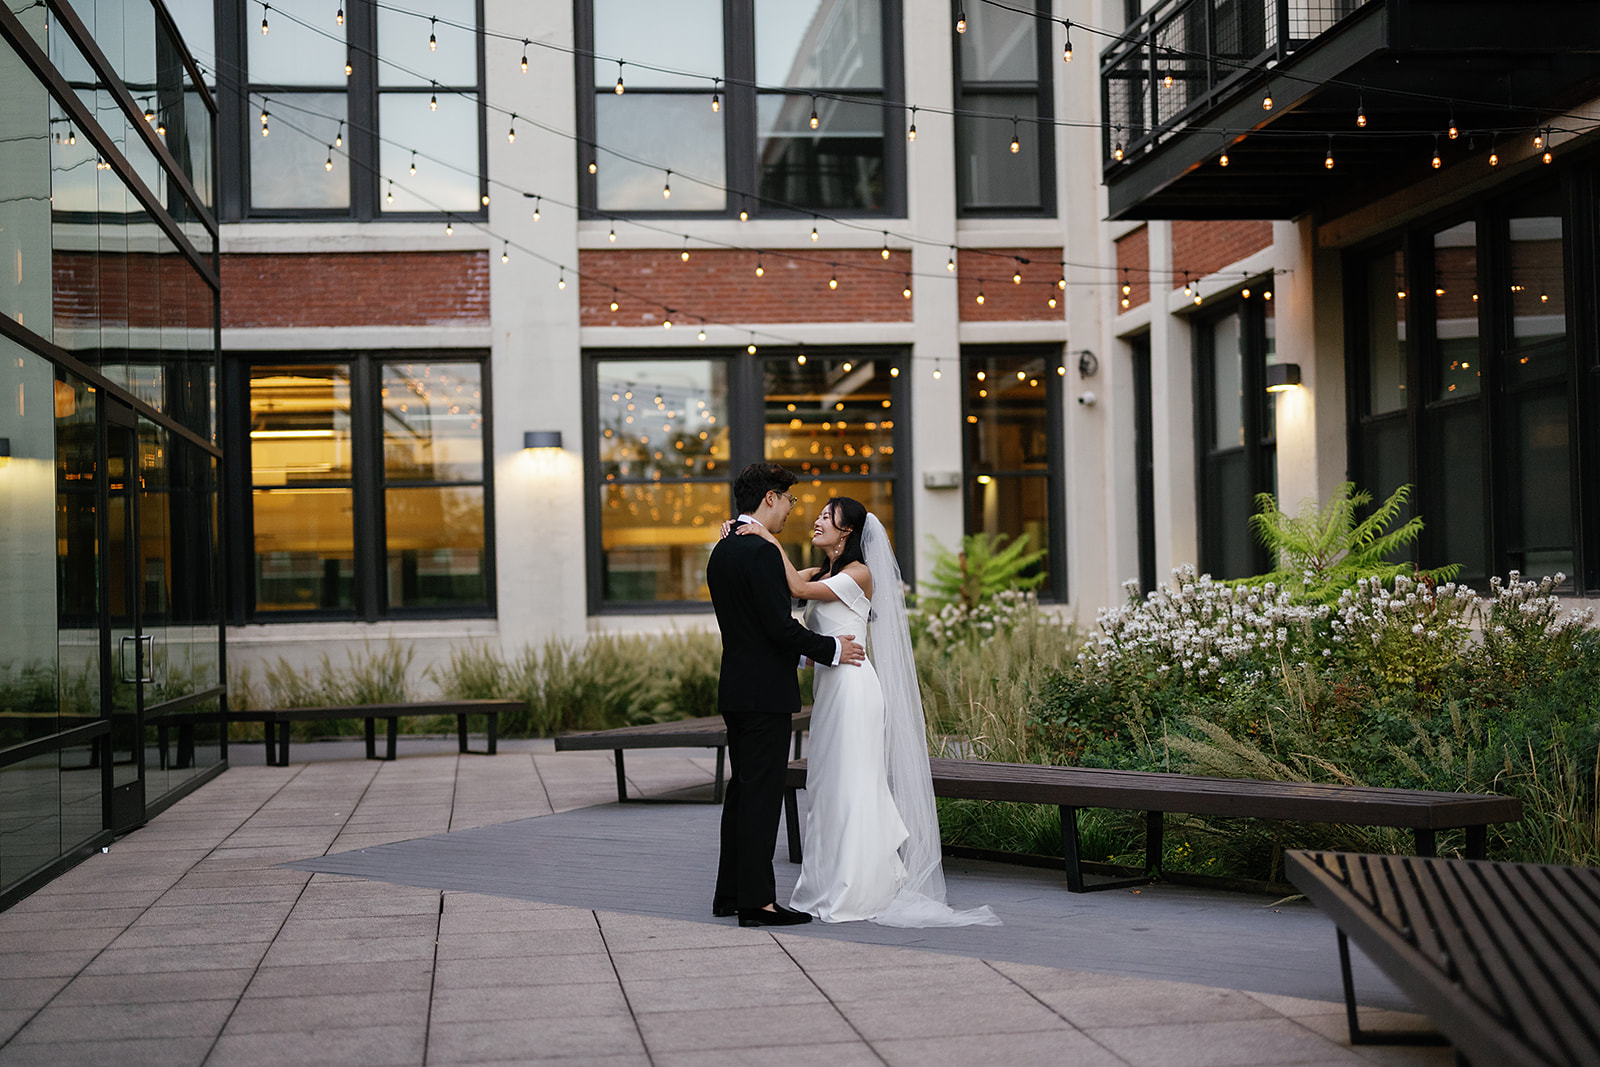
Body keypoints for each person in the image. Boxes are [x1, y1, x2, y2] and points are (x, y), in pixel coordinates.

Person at [737, 497, 999, 928]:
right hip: (830, 692)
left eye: (827, 516)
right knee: (826, 786)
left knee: (854, 785)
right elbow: (785, 587)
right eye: (819, 514)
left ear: (847, 532)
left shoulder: (859, 573)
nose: (817, 521)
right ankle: (823, 884)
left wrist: (766, 536)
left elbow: (797, 592)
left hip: (855, 691)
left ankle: (859, 888)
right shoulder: (822, 572)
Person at [706, 463, 866, 928]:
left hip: (736, 687)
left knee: (742, 793)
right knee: (760, 798)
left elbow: (758, 620)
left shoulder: (723, 549)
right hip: (764, 694)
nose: (792, 511)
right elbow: (778, 628)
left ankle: (730, 893)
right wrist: (832, 648)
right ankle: (757, 903)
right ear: (771, 498)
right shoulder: (757, 551)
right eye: (790, 501)